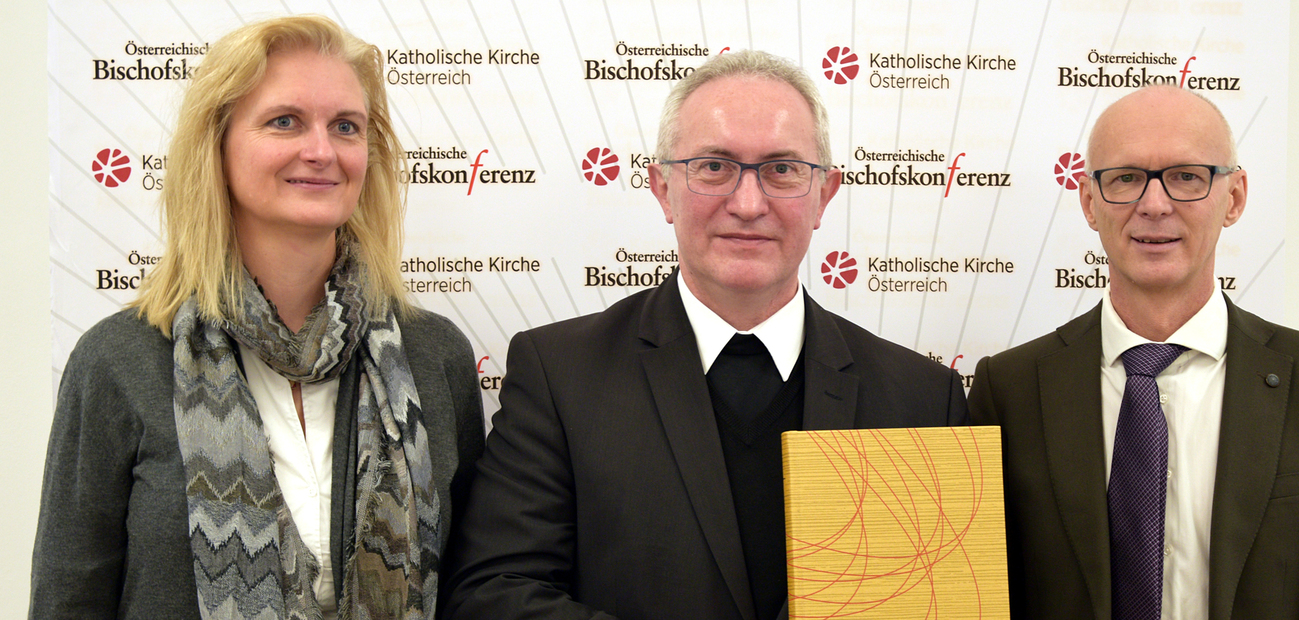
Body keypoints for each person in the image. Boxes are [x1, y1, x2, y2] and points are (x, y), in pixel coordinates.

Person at [441, 50, 967, 620]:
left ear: (824, 195)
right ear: (662, 188)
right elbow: (494, 592)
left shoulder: (923, 399)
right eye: (714, 166)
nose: (748, 204)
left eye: (782, 170)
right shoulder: (560, 375)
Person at [30, 15, 484, 619]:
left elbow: (472, 591)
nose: (321, 151)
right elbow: (68, 599)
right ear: (215, 147)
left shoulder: (434, 354)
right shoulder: (118, 360)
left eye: (345, 126)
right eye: (284, 121)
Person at [968, 85, 1299, 620]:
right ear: (1090, 202)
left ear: (1234, 197)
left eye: (1187, 177)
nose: (1154, 205)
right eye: (1126, 178)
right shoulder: (1009, 390)